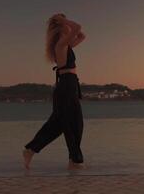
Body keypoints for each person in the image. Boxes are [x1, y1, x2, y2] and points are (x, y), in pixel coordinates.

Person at [23, 13, 86, 170]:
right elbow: (78, 27)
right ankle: (74, 161)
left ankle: (31, 150)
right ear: (61, 26)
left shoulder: (67, 44)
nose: (68, 26)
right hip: (65, 86)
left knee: (67, 123)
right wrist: (64, 21)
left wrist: (65, 24)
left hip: (70, 85)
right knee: (69, 123)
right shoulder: (61, 44)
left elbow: (82, 35)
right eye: (65, 23)